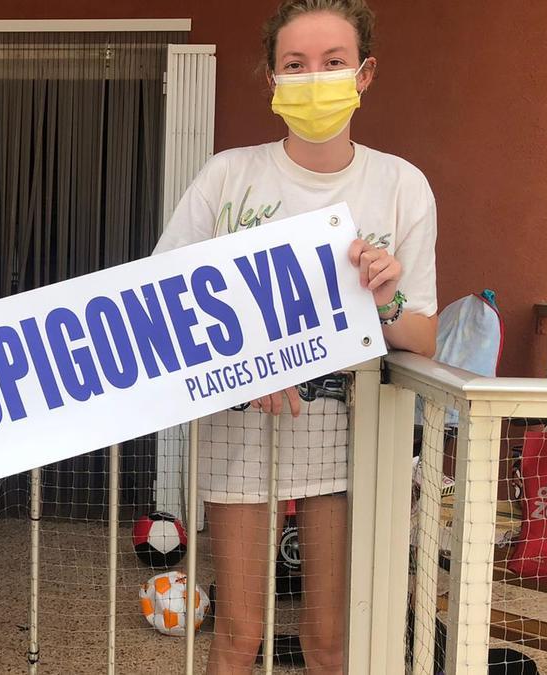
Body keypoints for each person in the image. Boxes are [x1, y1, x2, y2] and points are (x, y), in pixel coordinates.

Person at [152, 1, 437, 672]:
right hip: (243, 425)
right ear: (273, 78)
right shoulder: (229, 175)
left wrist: (387, 295)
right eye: (296, 64)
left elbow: (420, 335)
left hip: (350, 429)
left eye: (334, 63)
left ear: (364, 74)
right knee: (238, 632)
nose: (315, 79)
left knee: (332, 639)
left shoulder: (401, 184)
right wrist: (254, 359)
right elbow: (166, 301)